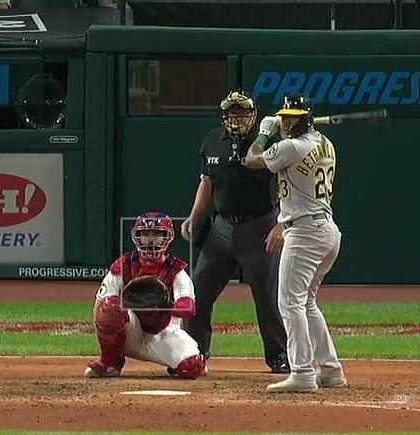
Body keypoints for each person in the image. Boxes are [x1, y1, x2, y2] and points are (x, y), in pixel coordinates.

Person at [181, 91, 289, 375]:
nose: (237, 117)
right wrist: (194, 217)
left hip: (260, 227)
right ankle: (193, 353)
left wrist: (281, 222)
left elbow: (286, 186)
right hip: (222, 228)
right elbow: (207, 184)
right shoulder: (212, 140)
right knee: (198, 292)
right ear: (225, 115)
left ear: (252, 114)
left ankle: (279, 355)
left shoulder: (270, 142)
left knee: (267, 298)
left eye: (243, 112)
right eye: (233, 112)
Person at [243, 94, 346, 393]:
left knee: (289, 303)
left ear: (305, 118)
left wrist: (264, 133)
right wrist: (283, 128)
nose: (287, 121)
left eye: (293, 117)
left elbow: (251, 159)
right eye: (285, 116)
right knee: (307, 303)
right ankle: (330, 369)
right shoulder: (324, 142)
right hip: (325, 231)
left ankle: (302, 372)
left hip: (305, 232)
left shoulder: (291, 146)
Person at [85, 212, 206, 380]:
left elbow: (189, 309)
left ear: (167, 238)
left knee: (192, 367)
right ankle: (110, 363)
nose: (150, 240)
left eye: (156, 235)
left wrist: (165, 304)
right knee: (110, 306)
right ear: (137, 237)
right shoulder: (124, 265)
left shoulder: (176, 271)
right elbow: (101, 305)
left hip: (162, 332)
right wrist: (106, 341)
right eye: (145, 234)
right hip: (130, 333)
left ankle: (176, 363)